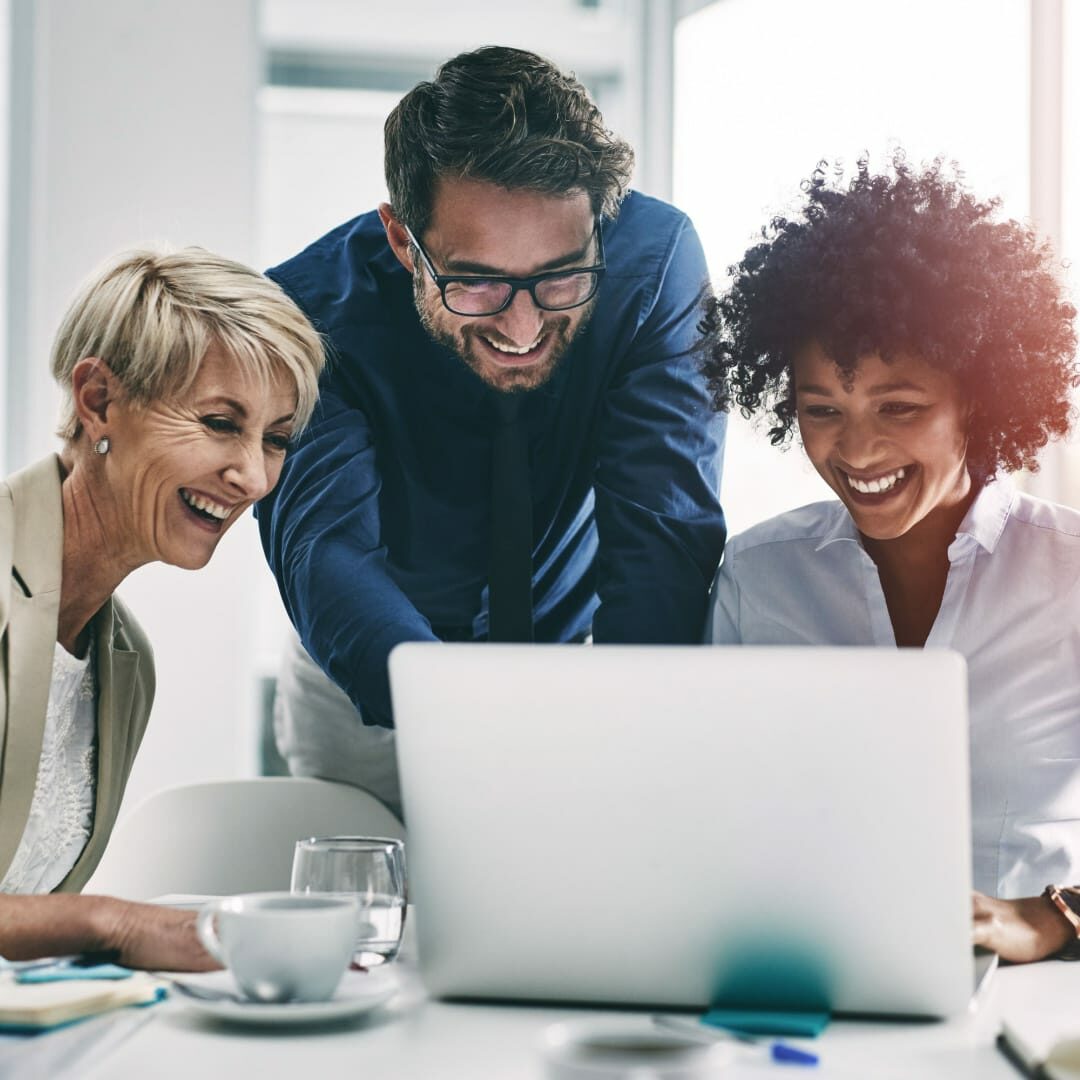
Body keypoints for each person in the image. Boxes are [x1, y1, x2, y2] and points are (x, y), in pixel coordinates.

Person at [258, 45, 727, 808]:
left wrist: (631, 729)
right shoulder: (305, 313)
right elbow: (327, 550)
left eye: (559, 276)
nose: (522, 324)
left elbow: (663, 531)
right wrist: (472, 726)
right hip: (369, 693)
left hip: (583, 669)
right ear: (403, 238)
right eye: (475, 282)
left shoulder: (655, 263)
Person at [700, 154, 1080, 964]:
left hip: (1029, 997)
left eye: (898, 407)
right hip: (813, 979)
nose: (857, 447)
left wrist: (1044, 921)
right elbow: (714, 815)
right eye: (821, 410)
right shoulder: (759, 579)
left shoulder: (1071, 575)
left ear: (976, 397)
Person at [0, 247, 325, 965]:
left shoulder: (124, 663)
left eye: (274, 440)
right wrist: (111, 925)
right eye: (219, 423)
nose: (252, 476)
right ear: (98, 401)